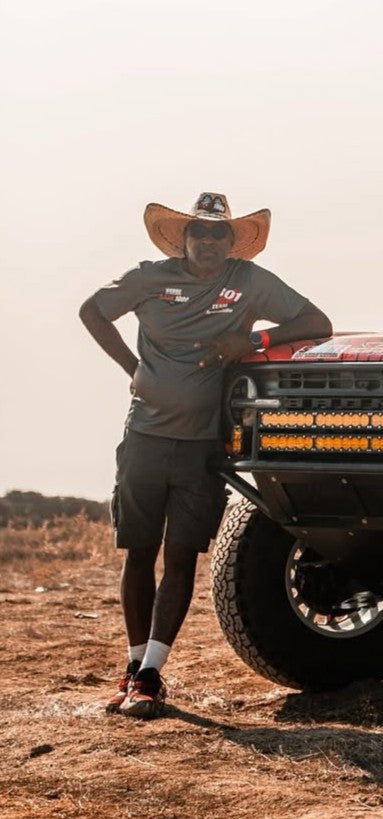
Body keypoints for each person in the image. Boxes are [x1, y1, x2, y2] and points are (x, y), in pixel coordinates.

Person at [80, 192, 332, 719]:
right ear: (184, 237)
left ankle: (151, 675)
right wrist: (132, 369)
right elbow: (92, 311)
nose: (210, 242)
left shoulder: (249, 281)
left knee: (181, 556)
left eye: (220, 234)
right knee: (139, 552)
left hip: (204, 445)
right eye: (200, 232)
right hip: (145, 437)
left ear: (231, 241)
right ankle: (130, 665)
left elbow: (317, 322)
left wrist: (254, 339)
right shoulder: (149, 277)